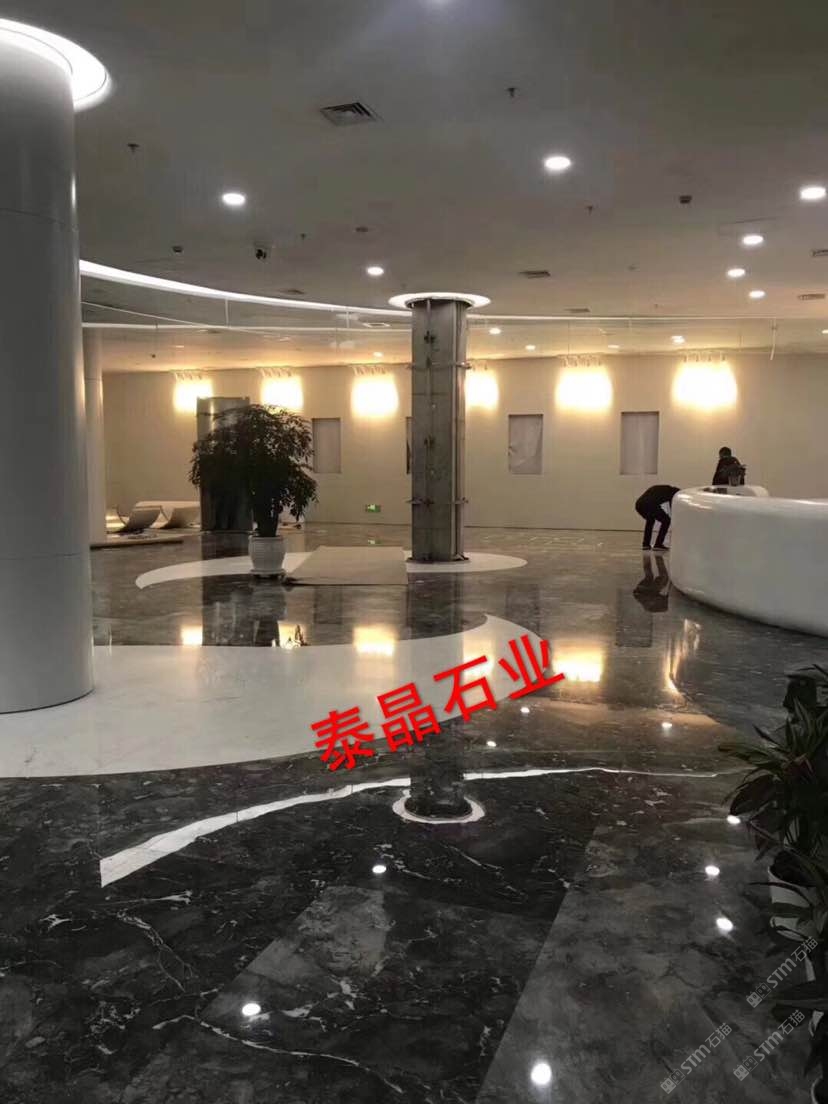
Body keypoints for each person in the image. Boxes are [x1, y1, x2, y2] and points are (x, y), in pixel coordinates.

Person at [635, 484, 680, 551]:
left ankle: (646, 544)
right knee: (666, 521)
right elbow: (672, 507)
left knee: (650, 520)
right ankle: (658, 544)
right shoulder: (674, 494)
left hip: (639, 504)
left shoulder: (663, 488)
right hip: (650, 505)